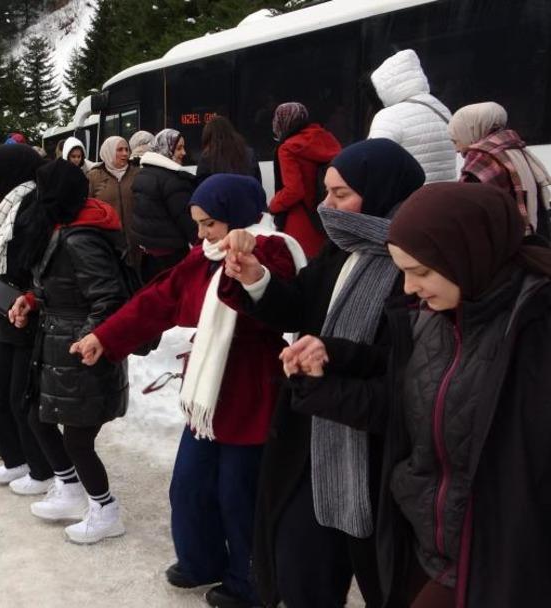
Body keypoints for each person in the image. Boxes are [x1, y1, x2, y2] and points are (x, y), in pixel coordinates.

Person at [282, 182, 551, 607]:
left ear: (468, 253)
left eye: (421, 272)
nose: (408, 287)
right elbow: (403, 409)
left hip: (504, 564)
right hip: (431, 549)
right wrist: (322, 381)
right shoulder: (434, 320)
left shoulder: (535, 328)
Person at [72, 174, 304, 604]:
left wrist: (249, 266)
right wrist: (105, 336)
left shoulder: (271, 249)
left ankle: (250, 582)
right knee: (189, 484)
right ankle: (201, 559)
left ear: (237, 215)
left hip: (252, 390)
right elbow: (157, 299)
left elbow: (277, 306)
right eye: (197, 223)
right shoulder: (204, 257)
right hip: (208, 392)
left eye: (209, 223)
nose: (201, 234)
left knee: (239, 492)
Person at [218, 138, 425, 608]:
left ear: (382, 191)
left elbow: (402, 366)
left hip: (375, 461)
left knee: (386, 586)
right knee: (300, 577)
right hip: (311, 440)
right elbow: (301, 308)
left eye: (340, 194)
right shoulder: (342, 248)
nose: (325, 205)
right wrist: (255, 278)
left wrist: (330, 357)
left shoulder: (416, 266)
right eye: (325, 191)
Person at [7, 159, 131, 544]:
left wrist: (91, 337)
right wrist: (30, 300)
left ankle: (105, 509)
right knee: (37, 416)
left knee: (78, 438)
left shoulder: (81, 238)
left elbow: (108, 299)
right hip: (57, 342)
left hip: (81, 350)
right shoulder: (62, 229)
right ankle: (70, 487)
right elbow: (59, 286)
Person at [0, 144, 55, 484]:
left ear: (8, 176)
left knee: (20, 397)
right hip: (6, 309)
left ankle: (42, 469)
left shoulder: (31, 207)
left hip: (27, 314)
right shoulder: (4, 209)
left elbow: (30, 267)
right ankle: (17, 459)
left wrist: (18, 301)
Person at [448, 101, 551, 238]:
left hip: (508, 238)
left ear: (471, 131)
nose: (456, 149)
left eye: (456, 141)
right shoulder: (515, 147)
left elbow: (468, 207)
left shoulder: (482, 158)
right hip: (536, 231)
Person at [268, 102, 343, 258]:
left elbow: (293, 191)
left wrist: (273, 205)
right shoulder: (327, 138)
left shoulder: (287, 148)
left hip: (300, 221)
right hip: (327, 217)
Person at [369, 49, 455, 182]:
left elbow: (375, 160)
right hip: (446, 190)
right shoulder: (441, 108)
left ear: (385, 86)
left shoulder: (389, 116)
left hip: (413, 193)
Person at [131, 128, 199, 281]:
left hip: (148, 257)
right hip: (172, 257)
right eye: (179, 148)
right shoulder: (173, 180)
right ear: (165, 148)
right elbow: (187, 221)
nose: (184, 153)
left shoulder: (143, 174)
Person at [88, 136, 141, 264]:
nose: (125, 153)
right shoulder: (94, 176)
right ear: (109, 151)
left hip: (136, 242)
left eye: (127, 149)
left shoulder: (137, 173)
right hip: (108, 242)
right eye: (119, 150)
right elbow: (88, 208)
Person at [197, 116, 261, 182]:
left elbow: (201, 185)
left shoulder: (206, 158)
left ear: (208, 137)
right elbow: (257, 184)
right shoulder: (249, 154)